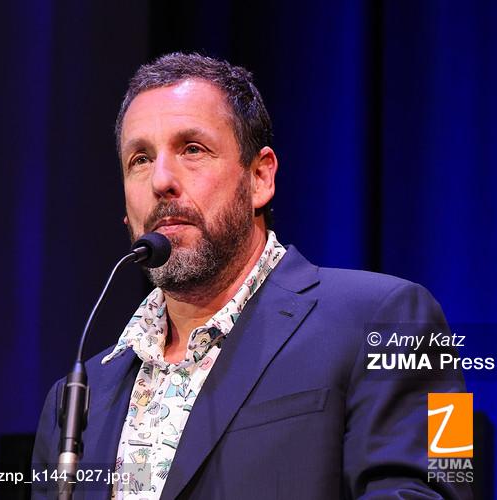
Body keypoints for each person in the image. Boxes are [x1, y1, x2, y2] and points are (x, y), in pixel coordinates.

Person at [33, 53, 471, 499]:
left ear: (260, 177)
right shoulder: (75, 400)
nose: (160, 180)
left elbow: (446, 482)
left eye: (192, 149)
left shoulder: (396, 318)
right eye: (140, 159)